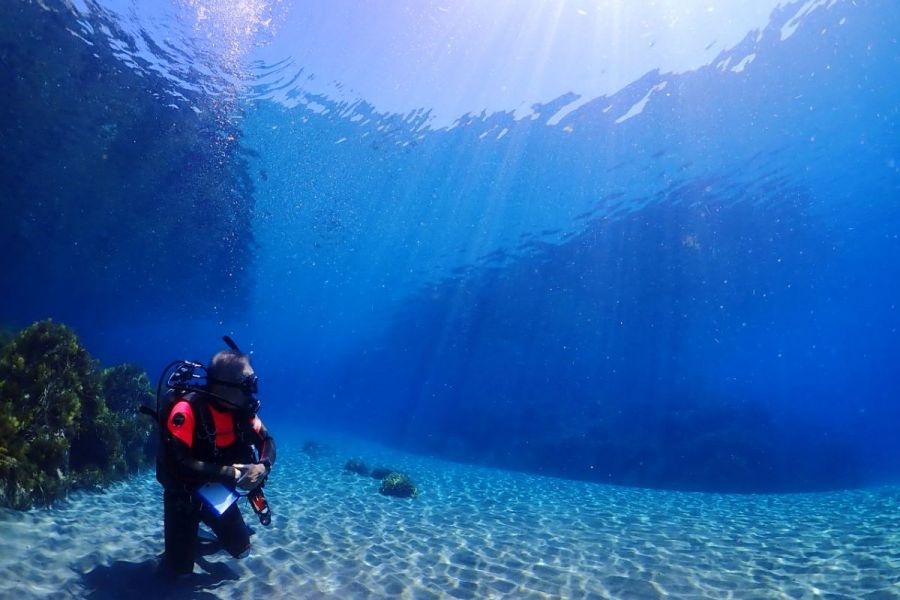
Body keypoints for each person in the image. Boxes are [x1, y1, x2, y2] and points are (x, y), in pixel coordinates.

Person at [156, 345, 277, 575]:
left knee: (242, 550)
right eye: (247, 386)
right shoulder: (186, 411)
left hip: (215, 490)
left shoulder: (242, 412)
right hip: (183, 493)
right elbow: (178, 465)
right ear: (223, 387)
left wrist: (263, 466)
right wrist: (234, 473)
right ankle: (188, 533)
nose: (252, 393)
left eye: (253, 384)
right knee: (178, 573)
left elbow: (268, 441)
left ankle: (202, 526)